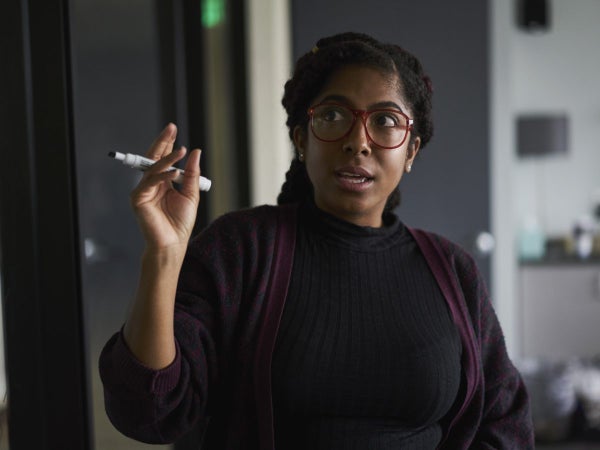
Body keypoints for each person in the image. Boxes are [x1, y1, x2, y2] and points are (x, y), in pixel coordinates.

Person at [99, 32, 534, 449]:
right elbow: (148, 412)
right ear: (301, 140)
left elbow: (506, 426)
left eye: (385, 121)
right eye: (333, 116)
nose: (357, 142)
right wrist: (163, 255)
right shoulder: (242, 250)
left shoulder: (452, 271)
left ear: (411, 151)